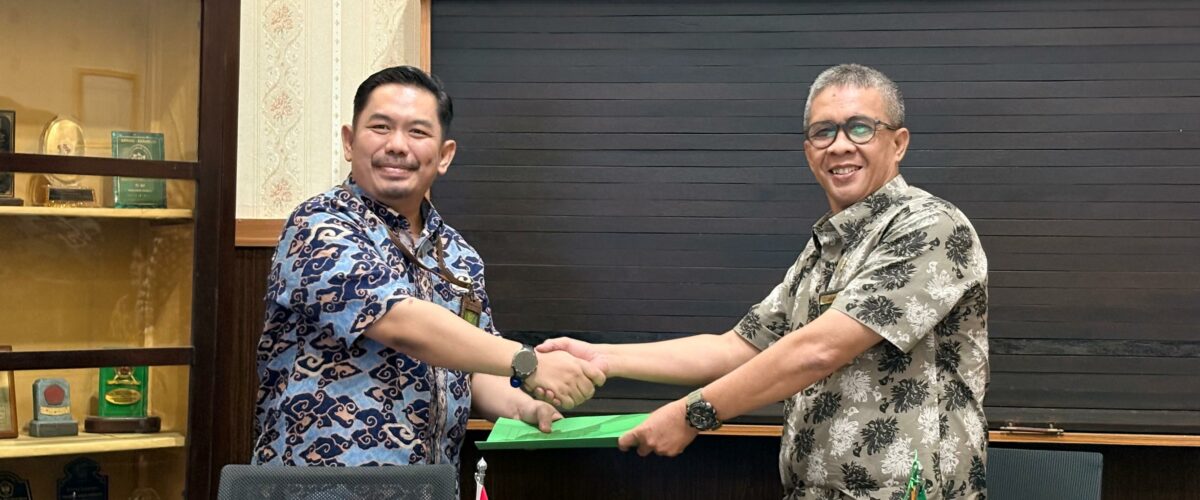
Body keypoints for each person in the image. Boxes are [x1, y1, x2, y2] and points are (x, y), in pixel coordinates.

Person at [539, 64, 989, 499]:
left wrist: (692, 414)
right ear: (808, 151)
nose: (839, 146)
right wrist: (602, 357)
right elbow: (735, 348)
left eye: (860, 128)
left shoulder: (930, 227)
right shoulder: (823, 251)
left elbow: (819, 350)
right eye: (823, 132)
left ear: (898, 143)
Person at [253, 66, 605, 467]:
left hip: (427, 485)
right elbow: (400, 322)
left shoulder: (459, 255)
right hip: (321, 485)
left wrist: (527, 408)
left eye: (418, 132)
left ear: (444, 155)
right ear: (349, 141)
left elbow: (474, 369)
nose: (397, 145)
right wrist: (529, 362)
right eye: (381, 127)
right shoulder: (319, 224)